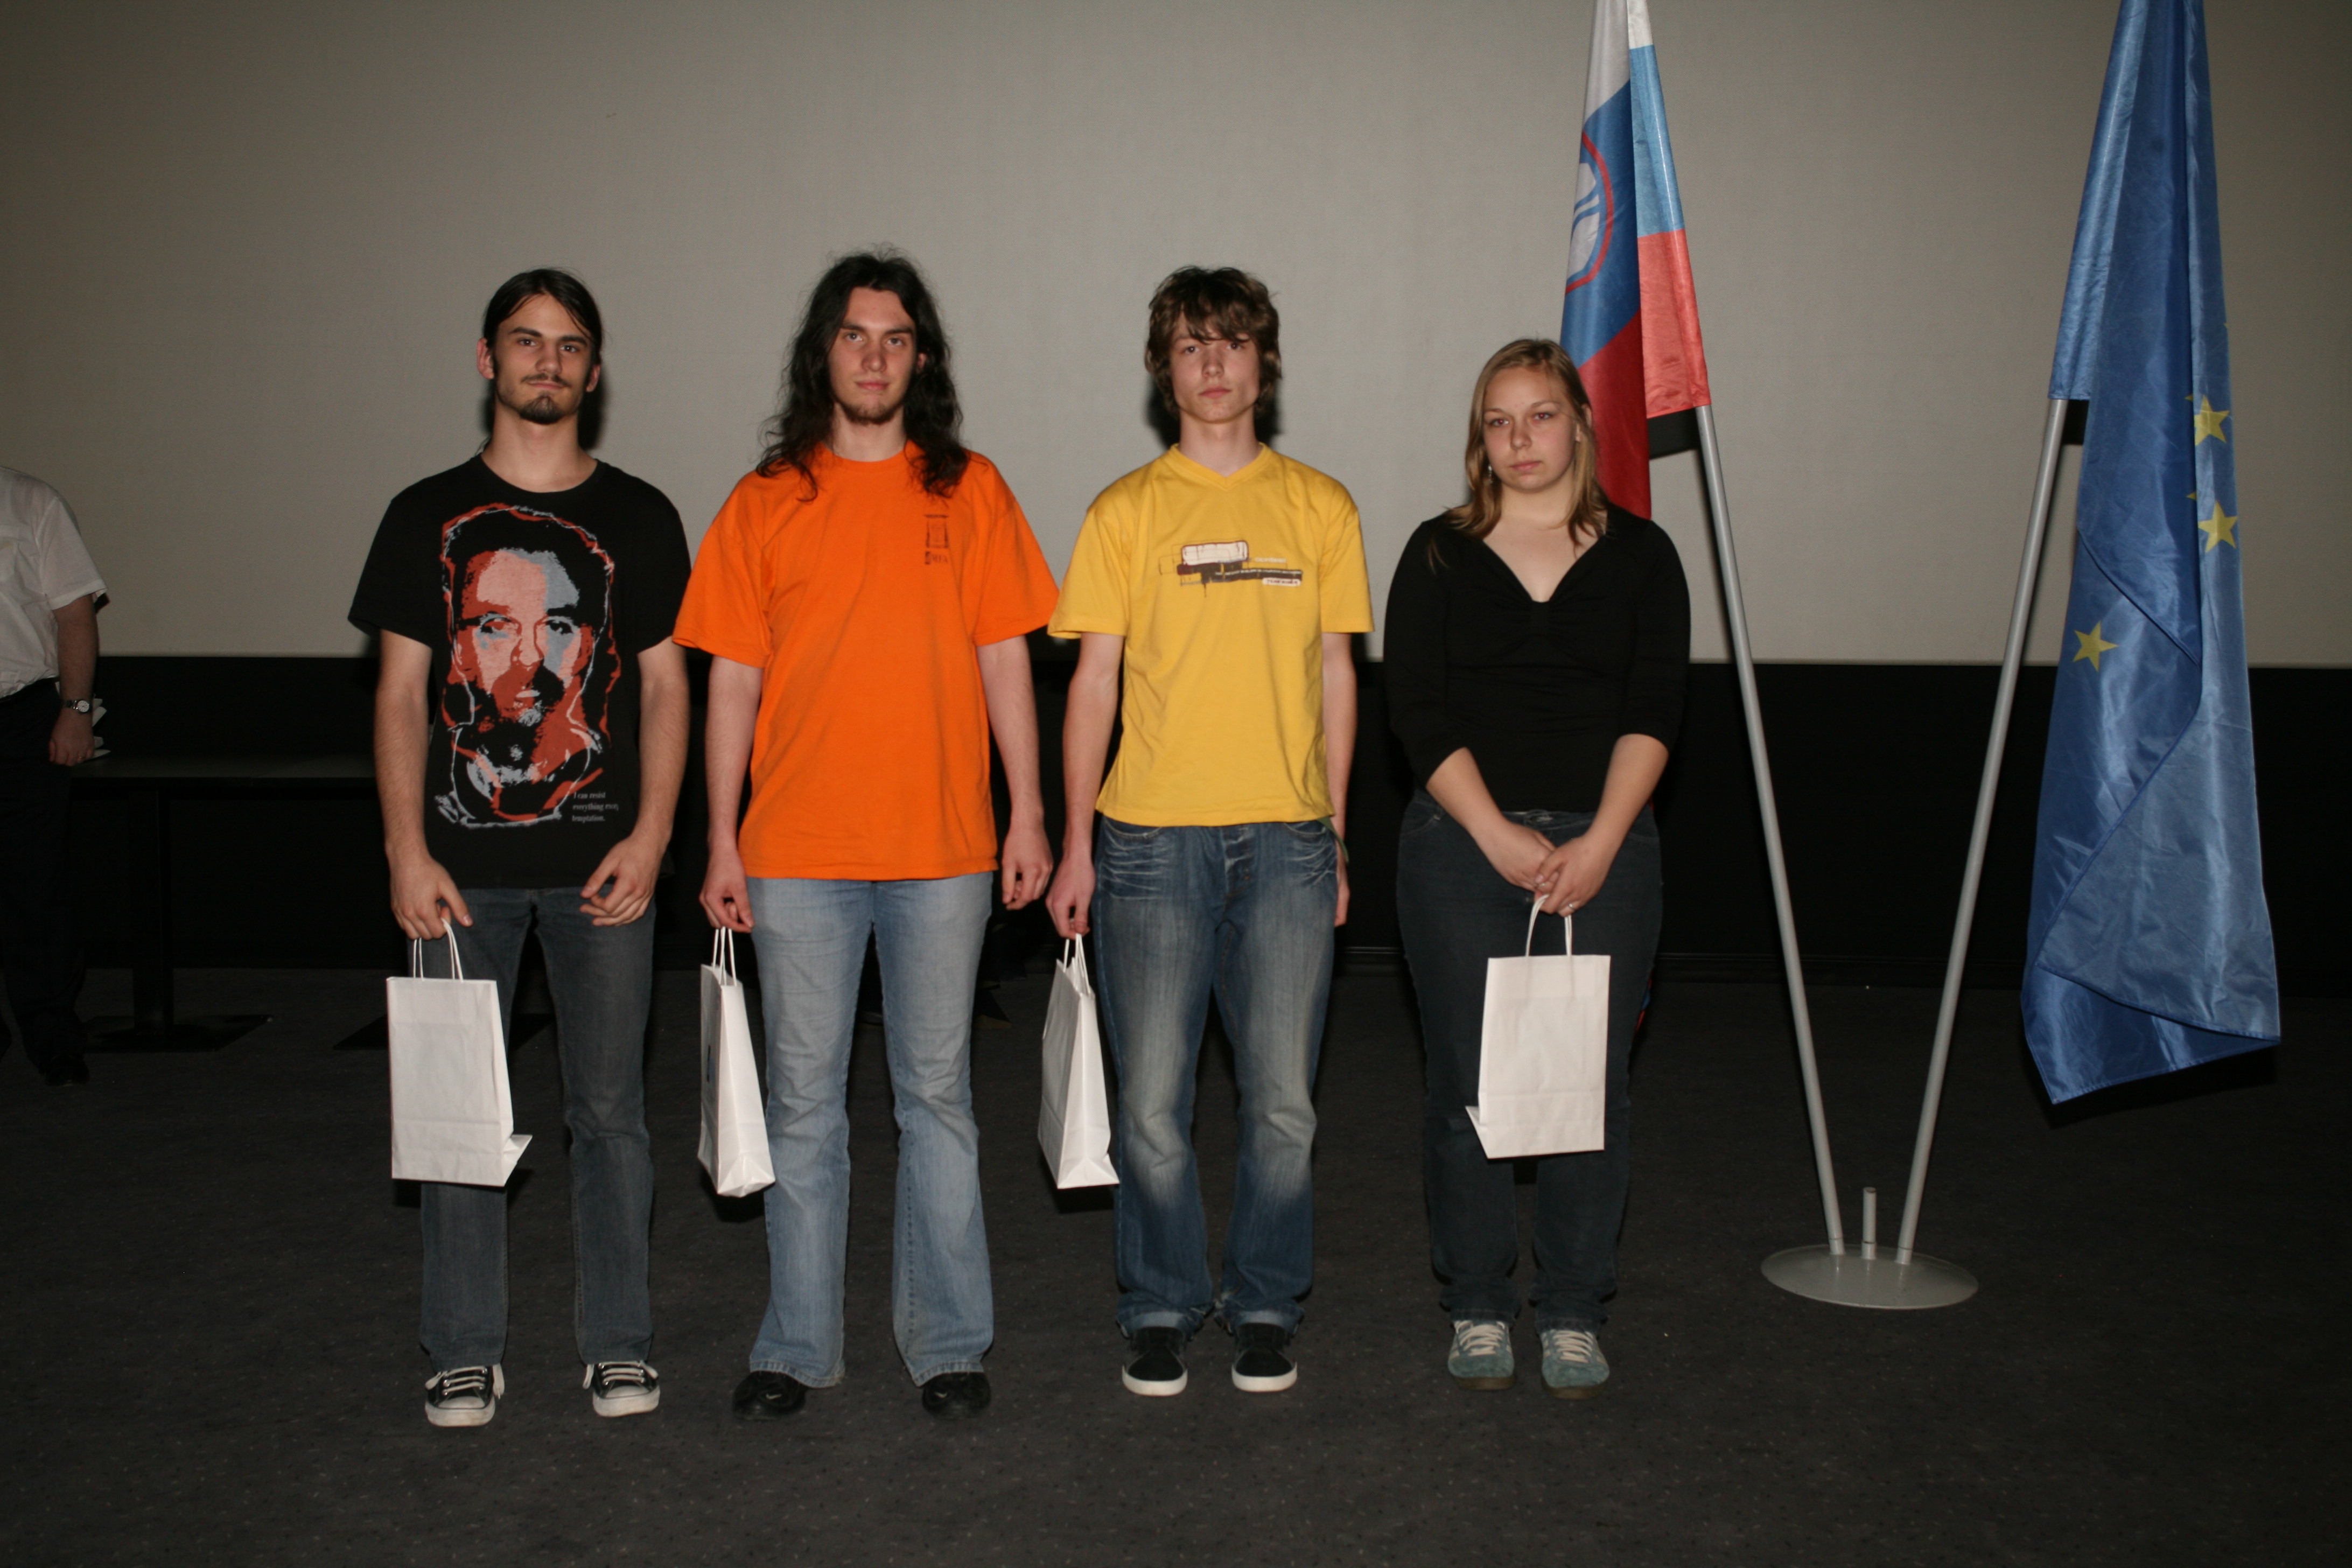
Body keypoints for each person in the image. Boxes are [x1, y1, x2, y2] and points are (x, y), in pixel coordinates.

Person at [678, 251, 1058, 1425]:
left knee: (936, 1099)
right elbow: (731, 684)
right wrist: (721, 839)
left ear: (921, 359)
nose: (875, 356)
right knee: (803, 1106)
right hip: (795, 852)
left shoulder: (972, 490)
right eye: (855, 335)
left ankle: (946, 1342)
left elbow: (1007, 658)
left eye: (896, 338)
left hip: (944, 849)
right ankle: (797, 1344)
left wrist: (1029, 811)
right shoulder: (763, 500)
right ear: (823, 353)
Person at [349, 269, 691, 1428]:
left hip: (606, 874)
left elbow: (666, 686)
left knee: (613, 1115)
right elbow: (398, 695)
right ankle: (462, 1347)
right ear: (487, 358)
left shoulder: (641, 516)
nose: (548, 360)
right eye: (527, 339)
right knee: (453, 1112)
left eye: (570, 344)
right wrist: (405, 850)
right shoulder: (421, 514)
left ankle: (620, 1343)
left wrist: (654, 835)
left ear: (595, 369)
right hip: (455, 879)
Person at [1045, 266, 1373, 1397]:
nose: (1214, 362)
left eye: (1232, 341)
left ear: (1263, 362)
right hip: (1147, 844)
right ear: (1163, 370)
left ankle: (1267, 1299)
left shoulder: (1322, 506)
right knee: (1150, 1104)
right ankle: (1160, 1300)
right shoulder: (1123, 512)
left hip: (1288, 842)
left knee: (1283, 1102)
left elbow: (1337, 675)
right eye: (1191, 345)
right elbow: (1092, 684)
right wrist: (1076, 843)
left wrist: (1336, 834)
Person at [1384, 338, 1688, 1398]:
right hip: (1459, 844)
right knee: (1465, 1082)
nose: (1521, 439)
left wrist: (1598, 842)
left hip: (1608, 846)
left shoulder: (1643, 554)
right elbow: (1415, 708)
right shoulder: (1437, 552)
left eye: (1541, 415)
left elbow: (1656, 708)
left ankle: (1570, 1310)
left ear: (1579, 425)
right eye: (1499, 420)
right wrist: (1495, 833)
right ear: (1481, 439)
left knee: (1585, 1082)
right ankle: (1477, 1303)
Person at [0, 467, 106, 1087]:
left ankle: (53, 1036)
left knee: (34, 880)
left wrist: (76, 709)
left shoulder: (30, 501)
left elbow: (75, 613)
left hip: (19, 718)